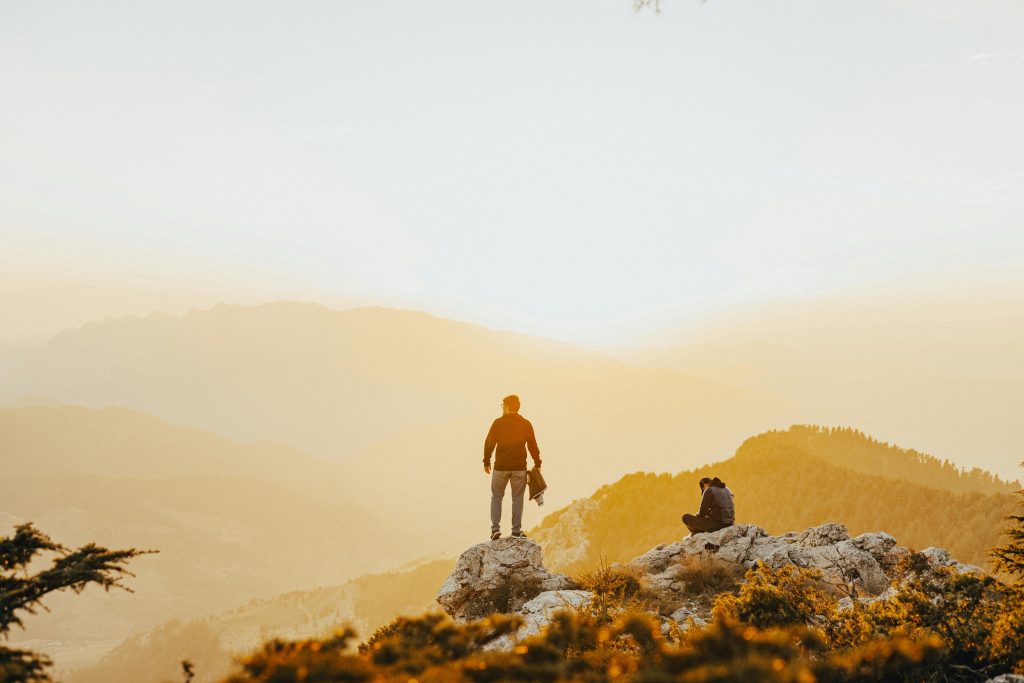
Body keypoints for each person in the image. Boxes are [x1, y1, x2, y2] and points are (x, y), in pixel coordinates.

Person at [484, 394, 541, 541]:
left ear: (508, 407)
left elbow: (489, 442)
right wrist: (537, 462)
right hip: (519, 468)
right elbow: (532, 444)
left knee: (497, 497)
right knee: (517, 498)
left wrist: (486, 461)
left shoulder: (498, 423)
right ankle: (516, 531)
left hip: (500, 467)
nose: (502, 408)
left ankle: (495, 530)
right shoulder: (525, 424)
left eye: (503, 405)